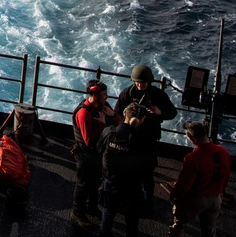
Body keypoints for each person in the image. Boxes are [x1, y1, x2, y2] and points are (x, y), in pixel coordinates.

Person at [115, 64, 177, 208]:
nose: (139, 84)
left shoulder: (158, 95)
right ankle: (128, 199)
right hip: (131, 139)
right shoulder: (127, 94)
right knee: (128, 171)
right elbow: (118, 113)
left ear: (149, 81)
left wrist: (159, 112)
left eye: (142, 82)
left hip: (149, 139)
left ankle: (148, 201)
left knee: (147, 174)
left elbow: (172, 113)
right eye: (137, 82)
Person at [164, 121, 231, 237]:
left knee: (179, 225)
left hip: (197, 199)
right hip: (216, 198)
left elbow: (184, 184)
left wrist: (174, 196)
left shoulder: (193, 158)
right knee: (209, 231)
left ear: (191, 138)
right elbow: (226, 177)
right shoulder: (223, 152)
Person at [97, 104, 150, 237]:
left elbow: (99, 149)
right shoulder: (141, 140)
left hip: (110, 182)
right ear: (142, 120)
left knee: (108, 214)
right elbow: (146, 166)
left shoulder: (109, 132)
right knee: (132, 219)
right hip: (131, 187)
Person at [71, 79, 119, 226]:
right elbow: (88, 141)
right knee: (83, 184)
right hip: (86, 154)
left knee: (95, 182)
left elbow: (120, 122)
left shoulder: (104, 106)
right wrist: (103, 124)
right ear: (95, 95)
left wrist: (113, 114)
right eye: (104, 94)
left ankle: (92, 207)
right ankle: (77, 213)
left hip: (99, 153)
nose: (107, 97)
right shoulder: (84, 113)